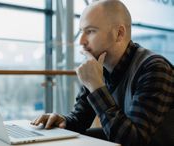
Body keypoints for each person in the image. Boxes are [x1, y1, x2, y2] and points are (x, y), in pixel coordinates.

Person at [31, 0, 174, 146]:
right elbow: (80, 120)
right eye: (81, 32)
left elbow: (133, 141)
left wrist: (96, 86)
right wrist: (62, 121)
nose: (81, 41)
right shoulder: (100, 66)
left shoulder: (155, 68)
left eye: (91, 31)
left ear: (119, 33)